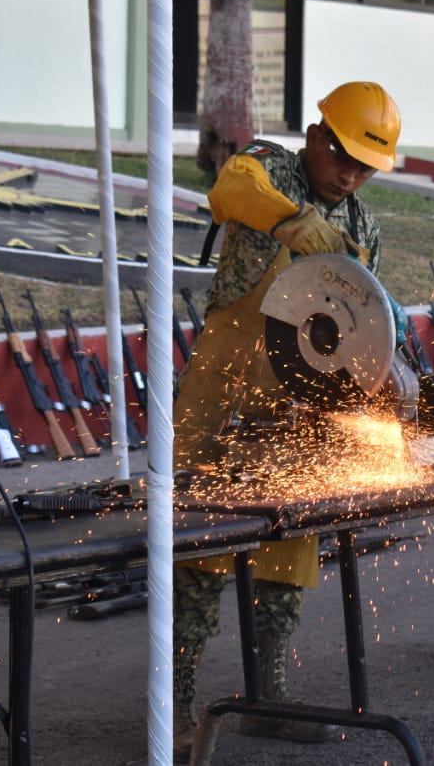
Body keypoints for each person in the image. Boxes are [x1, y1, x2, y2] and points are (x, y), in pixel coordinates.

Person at [170, 81, 399, 758]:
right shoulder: (266, 167)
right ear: (316, 134)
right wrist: (290, 220)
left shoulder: (362, 228)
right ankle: (176, 706)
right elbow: (227, 187)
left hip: (297, 399)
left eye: (365, 166)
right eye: (344, 157)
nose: (351, 174)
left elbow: (370, 328)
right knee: (197, 547)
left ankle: (267, 697)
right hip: (222, 383)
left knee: (286, 544)